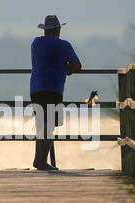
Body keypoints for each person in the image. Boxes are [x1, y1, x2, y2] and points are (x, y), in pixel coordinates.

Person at [30, 15, 82, 170]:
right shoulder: (64, 45)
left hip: (35, 88)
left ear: (45, 30)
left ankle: (37, 159)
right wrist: (68, 69)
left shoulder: (36, 43)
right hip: (53, 88)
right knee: (49, 125)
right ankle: (42, 161)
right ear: (59, 29)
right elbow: (77, 65)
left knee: (41, 125)